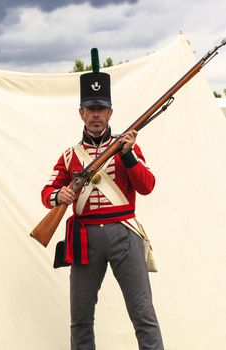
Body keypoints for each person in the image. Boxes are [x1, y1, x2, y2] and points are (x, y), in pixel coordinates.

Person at [41, 48, 164, 350]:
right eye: (90, 108)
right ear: (81, 113)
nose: (96, 114)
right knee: (81, 319)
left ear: (110, 113)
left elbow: (147, 186)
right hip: (85, 240)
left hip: (124, 235)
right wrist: (61, 195)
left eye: (101, 109)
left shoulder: (126, 149)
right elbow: (47, 194)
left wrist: (128, 155)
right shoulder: (70, 156)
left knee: (143, 315)